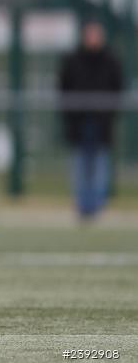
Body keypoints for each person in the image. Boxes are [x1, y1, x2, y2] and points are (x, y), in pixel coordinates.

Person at [58, 20, 123, 222]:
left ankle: (97, 206)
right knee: (80, 165)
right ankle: (82, 205)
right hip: (79, 122)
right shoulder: (73, 59)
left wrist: (108, 112)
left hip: (102, 122)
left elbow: (117, 87)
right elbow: (63, 86)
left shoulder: (111, 60)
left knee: (100, 165)